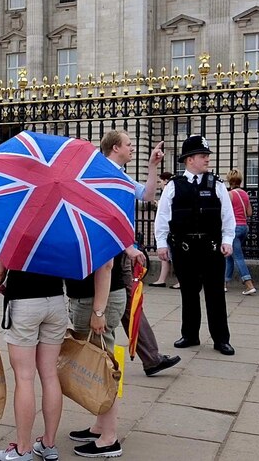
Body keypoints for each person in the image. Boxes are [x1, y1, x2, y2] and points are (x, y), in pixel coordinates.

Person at [100, 130, 180, 376]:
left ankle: (150, 357)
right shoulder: (105, 174)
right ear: (115, 148)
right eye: (129, 144)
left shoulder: (118, 173)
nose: (132, 147)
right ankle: (147, 358)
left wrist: (152, 166)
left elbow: (145, 195)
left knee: (127, 304)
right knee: (123, 304)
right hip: (112, 251)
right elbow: (106, 215)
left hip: (120, 250)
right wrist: (128, 247)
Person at [155, 135, 235, 356]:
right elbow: (163, 217)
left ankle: (221, 338)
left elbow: (228, 216)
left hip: (211, 247)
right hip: (185, 248)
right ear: (190, 160)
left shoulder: (216, 184)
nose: (207, 159)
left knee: (215, 294)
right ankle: (190, 334)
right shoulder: (173, 186)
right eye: (203, 155)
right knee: (189, 293)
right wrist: (162, 243)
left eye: (207, 155)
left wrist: (227, 240)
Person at [0, 261, 65, 461]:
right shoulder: (58, 231)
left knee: (24, 378)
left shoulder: (16, 231)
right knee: (50, 375)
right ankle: (49, 443)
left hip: (24, 303)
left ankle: (23, 448)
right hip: (55, 301)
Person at [65, 257, 125, 458]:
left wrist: (98, 311)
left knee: (104, 369)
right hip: (93, 297)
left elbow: (106, 265)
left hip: (96, 299)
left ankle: (109, 439)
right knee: (101, 365)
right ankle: (101, 427)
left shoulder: (98, 224)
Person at [225, 170, 257, 295]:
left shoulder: (230, 194)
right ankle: (224, 283)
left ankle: (249, 284)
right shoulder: (245, 194)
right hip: (243, 227)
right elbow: (249, 213)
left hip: (233, 228)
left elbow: (225, 212)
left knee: (237, 256)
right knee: (229, 256)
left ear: (229, 181)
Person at [149, 172, 177, 288]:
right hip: (166, 227)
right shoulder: (167, 190)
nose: (159, 184)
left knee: (174, 255)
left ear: (165, 181)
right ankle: (161, 279)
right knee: (164, 256)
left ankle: (179, 280)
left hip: (170, 228)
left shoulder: (170, 190)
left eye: (160, 181)